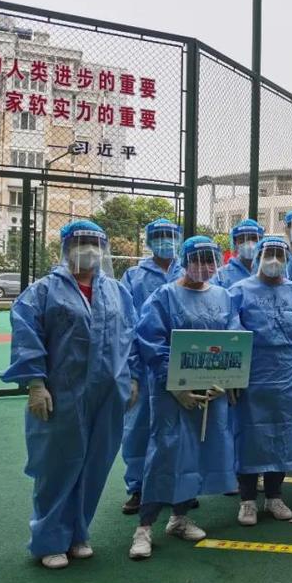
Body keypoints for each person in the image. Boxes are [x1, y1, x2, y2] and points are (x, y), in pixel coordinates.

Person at [3, 220, 137, 569]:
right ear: (65, 248)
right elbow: (27, 337)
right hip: (62, 393)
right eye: (81, 242)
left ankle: (78, 532)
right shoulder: (43, 291)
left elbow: (129, 337)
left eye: (95, 243)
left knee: (95, 464)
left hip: (107, 394)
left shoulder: (116, 292)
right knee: (57, 465)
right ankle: (49, 540)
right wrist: (36, 383)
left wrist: (132, 378)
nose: (89, 250)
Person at [128, 236, 239, 561]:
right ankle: (144, 527)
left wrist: (228, 379)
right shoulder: (165, 296)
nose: (204, 267)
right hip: (171, 393)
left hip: (210, 390)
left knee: (198, 451)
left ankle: (179, 517)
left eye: (210, 261)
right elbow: (151, 342)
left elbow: (234, 337)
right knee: (166, 452)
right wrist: (174, 385)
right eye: (198, 260)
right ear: (185, 261)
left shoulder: (223, 296)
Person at [228, 237, 292, 525]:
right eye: (269, 254)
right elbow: (230, 335)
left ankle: (274, 496)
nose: (275, 260)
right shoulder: (239, 292)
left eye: (280, 255)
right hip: (251, 377)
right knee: (248, 436)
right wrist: (232, 376)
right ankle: (247, 500)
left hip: (287, 377)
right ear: (258, 257)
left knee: (284, 435)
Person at [119, 219, 184, 515]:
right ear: (149, 241)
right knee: (139, 427)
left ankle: (177, 488)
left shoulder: (186, 271)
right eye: (159, 236)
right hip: (145, 364)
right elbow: (126, 323)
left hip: (181, 362)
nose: (165, 241)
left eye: (170, 236)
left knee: (179, 427)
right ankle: (138, 487)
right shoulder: (134, 276)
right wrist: (133, 367)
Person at [216, 219, 264, 288]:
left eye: (254, 238)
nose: (249, 244)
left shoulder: (269, 272)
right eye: (243, 239)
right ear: (235, 243)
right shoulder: (222, 275)